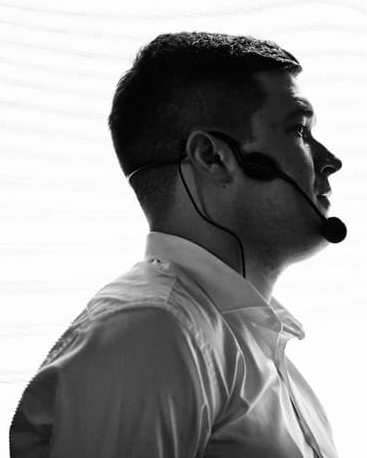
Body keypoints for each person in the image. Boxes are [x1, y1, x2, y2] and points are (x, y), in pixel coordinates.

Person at [10, 32, 344, 458]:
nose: (330, 160)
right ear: (212, 157)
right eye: (299, 130)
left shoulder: (240, 342)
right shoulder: (153, 332)